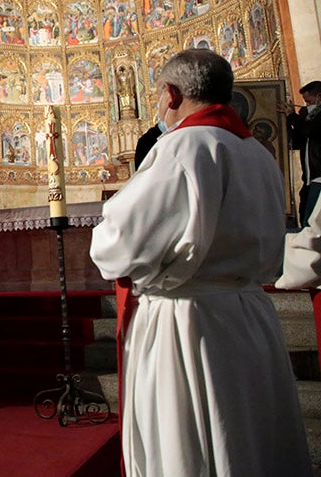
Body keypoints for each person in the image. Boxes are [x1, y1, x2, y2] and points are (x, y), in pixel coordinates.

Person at [89, 49, 312, 476]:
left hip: (189, 321)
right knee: (250, 437)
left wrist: (105, 235)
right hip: (249, 314)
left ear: (171, 94)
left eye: (157, 95)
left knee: (190, 444)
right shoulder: (259, 153)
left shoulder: (183, 146)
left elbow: (121, 244)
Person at [281, 80, 321, 226]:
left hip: (319, 178)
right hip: (310, 179)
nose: (306, 106)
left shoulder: (317, 118)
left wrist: (292, 116)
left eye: (309, 102)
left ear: (319, 97)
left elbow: (309, 130)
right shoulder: (307, 118)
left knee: (311, 224)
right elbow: (299, 141)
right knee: (305, 217)